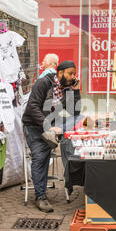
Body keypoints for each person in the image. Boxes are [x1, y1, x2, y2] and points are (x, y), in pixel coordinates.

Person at [22, 60, 81, 212]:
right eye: (70, 73)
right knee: (40, 157)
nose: (73, 77)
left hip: (54, 126)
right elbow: (32, 107)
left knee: (76, 131)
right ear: (60, 73)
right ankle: (40, 197)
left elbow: (74, 112)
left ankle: (71, 182)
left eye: (74, 74)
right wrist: (48, 126)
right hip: (35, 126)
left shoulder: (67, 88)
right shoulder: (43, 83)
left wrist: (75, 91)